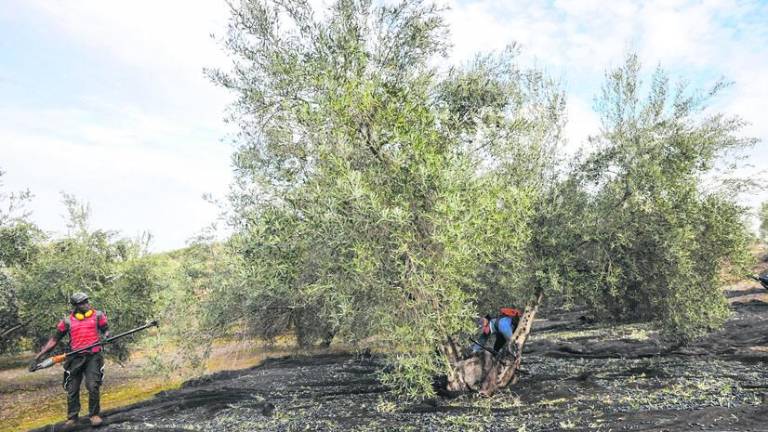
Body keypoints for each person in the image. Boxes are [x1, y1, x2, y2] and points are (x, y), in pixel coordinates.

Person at [31, 292, 110, 427]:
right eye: (81, 303)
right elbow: (54, 340)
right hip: (74, 358)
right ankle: (73, 417)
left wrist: (106, 336)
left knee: (93, 386)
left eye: (86, 301)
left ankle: (94, 415)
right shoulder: (66, 321)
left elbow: (106, 330)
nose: (86, 305)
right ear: (75, 306)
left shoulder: (98, 315)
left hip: (93, 357)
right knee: (72, 388)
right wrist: (39, 356)